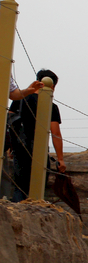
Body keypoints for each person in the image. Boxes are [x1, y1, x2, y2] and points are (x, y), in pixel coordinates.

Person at [8, 69, 64, 202]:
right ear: (52, 86)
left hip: (19, 146)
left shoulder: (20, 99)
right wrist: (60, 159)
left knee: (20, 186)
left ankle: (17, 213)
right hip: (39, 148)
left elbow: (10, 122)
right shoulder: (51, 106)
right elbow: (55, 133)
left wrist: (12, 145)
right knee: (39, 183)